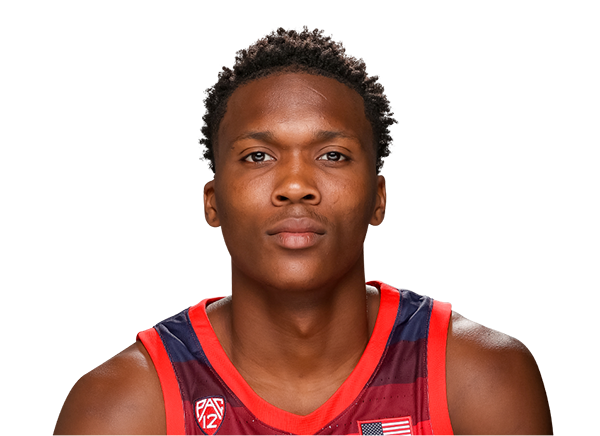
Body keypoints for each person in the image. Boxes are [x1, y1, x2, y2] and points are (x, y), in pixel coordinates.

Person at [55, 29, 551, 436]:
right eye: (258, 156)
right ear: (212, 204)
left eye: (332, 155)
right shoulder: (125, 405)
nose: (296, 186)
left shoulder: (477, 379)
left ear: (378, 199)